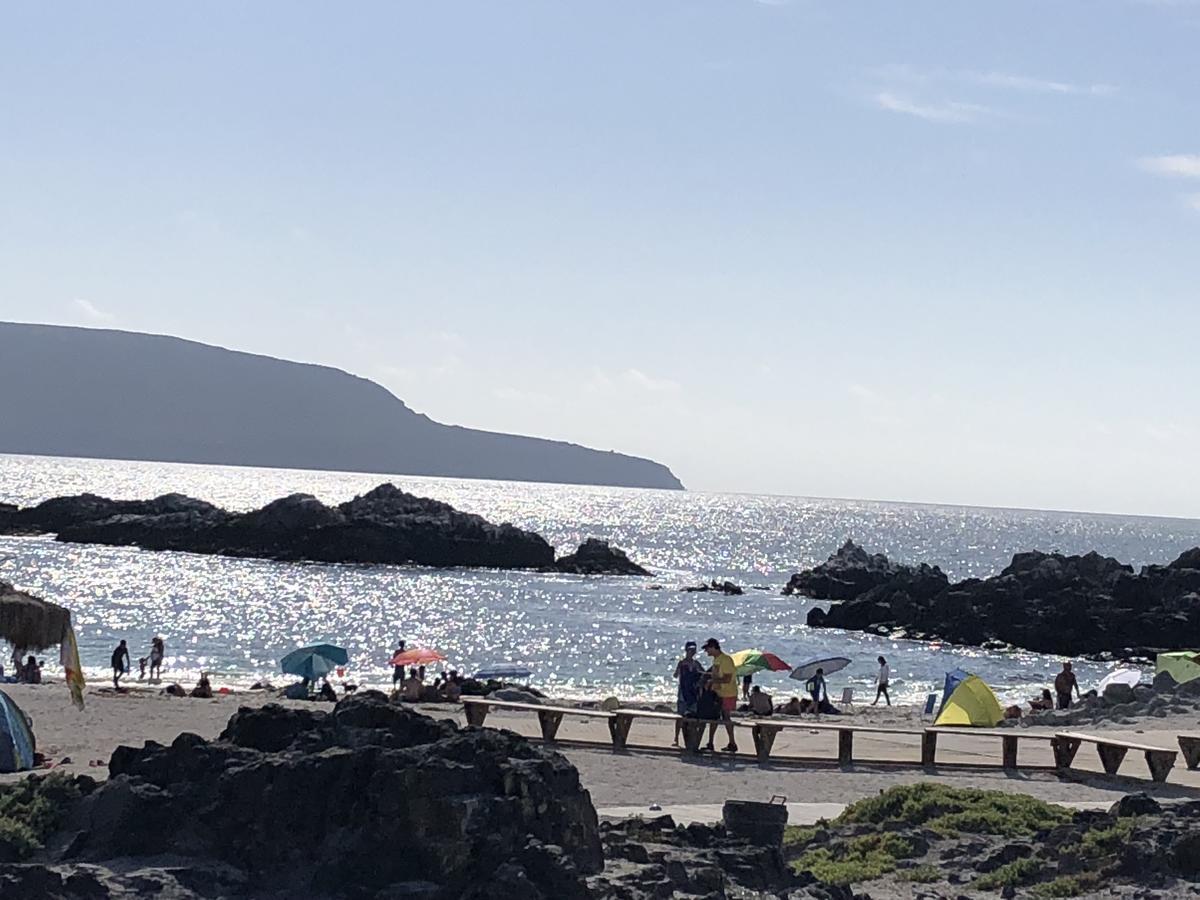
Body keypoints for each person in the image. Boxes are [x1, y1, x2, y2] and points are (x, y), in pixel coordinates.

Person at [702, 638, 738, 753]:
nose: (706, 652)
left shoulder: (726, 660)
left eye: (707, 649)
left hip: (728, 693)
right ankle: (710, 742)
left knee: (726, 717)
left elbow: (727, 678)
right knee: (714, 717)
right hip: (718, 693)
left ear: (713, 647)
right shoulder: (716, 660)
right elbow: (716, 675)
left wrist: (713, 681)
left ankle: (732, 743)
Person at [672, 641, 704, 746]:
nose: (691, 652)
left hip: (693, 693)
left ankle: (691, 740)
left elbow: (703, 675)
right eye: (690, 650)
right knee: (680, 716)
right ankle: (676, 738)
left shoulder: (696, 663)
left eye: (693, 650)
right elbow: (675, 675)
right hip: (683, 692)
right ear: (686, 650)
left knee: (692, 716)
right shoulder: (682, 663)